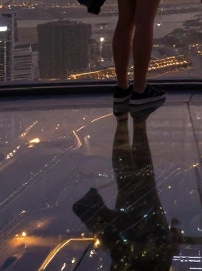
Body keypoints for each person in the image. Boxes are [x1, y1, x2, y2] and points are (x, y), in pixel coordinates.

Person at [72, 108, 181, 270]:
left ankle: (134, 120)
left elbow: (167, 246)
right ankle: (128, 119)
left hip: (143, 218)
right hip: (135, 220)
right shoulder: (149, 262)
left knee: (138, 175)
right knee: (128, 176)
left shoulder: (159, 262)